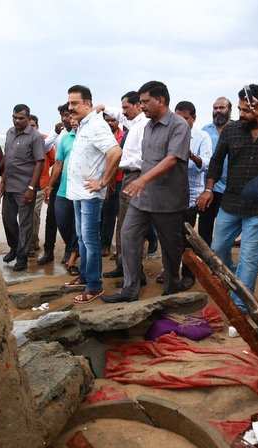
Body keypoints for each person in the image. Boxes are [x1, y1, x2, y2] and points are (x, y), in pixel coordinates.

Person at [102, 81, 191, 303]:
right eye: (140, 102)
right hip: (143, 196)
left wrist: (142, 179)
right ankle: (130, 288)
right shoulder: (147, 126)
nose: (141, 107)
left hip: (168, 200)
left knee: (170, 247)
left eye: (145, 102)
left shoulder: (179, 126)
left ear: (160, 100)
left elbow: (172, 159)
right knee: (128, 235)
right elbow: (146, 160)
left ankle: (172, 286)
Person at [199, 85, 258, 312]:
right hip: (230, 203)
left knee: (250, 259)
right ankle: (234, 276)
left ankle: (240, 306)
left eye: (247, 110)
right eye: (240, 109)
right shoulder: (232, 130)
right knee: (218, 249)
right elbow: (215, 162)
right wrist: (208, 189)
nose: (242, 115)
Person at [66, 85, 123, 304]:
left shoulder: (97, 125)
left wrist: (104, 181)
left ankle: (94, 285)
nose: (71, 107)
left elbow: (115, 152)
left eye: (75, 103)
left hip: (90, 194)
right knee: (82, 237)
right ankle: (85, 275)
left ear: (88, 104)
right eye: (69, 103)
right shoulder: (83, 125)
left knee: (90, 240)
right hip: (78, 192)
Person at [98, 91, 154, 281]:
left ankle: (135, 273)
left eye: (126, 107)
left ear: (138, 106)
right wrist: (103, 108)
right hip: (128, 177)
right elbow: (119, 114)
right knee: (122, 224)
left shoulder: (145, 124)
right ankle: (123, 266)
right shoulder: (134, 122)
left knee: (132, 227)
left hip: (137, 176)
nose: (123, 112)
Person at [0, 104, 45, 271]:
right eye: (14, 117)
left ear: (28, 118)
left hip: (25, 187)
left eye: (20, 118)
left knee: (25, 223)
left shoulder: (35, 137)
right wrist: (2, 182)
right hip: (9, 184)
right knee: (7, 219)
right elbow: (8, 159)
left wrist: (32, 188)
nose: (17, 121)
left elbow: (39, 162)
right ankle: (14, 247)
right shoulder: (9, 132)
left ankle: (22, 257)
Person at [174, 100, 212, 289]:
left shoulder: (202, 136)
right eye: (178, 118)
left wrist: (190, 155)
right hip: (171, 194)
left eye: (185, 119)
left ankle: (189, 274)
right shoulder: (171, 134)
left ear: (193, 118)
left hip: (191, 195)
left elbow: (205, 163)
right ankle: (172, 270)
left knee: (187, 236)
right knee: (172, 236)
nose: (181, 122)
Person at [47, 104, 80, 274]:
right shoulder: (65, 138)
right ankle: (72, 248)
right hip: (63, 188)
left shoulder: (88, 136)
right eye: (65, 116)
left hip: (82, 190)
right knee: (62, 222)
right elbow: (58, 163)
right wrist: (50, 186)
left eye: (71, 116)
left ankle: (73, 256)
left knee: (78, 226)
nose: (68, 119)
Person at [200, 97, 233, 246]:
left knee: (226, 227)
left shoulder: (237, 129)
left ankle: (221, 258)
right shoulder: (204, 132)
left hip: (231, 188)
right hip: (209, 187)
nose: (218, 111)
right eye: (215, 108)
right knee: (205, 225)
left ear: (229, 110)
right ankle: (204, 259)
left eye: (222, 108)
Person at [27, 114, 58, 262]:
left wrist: (44, 173)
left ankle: (32, 244)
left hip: (41, 184)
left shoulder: (45, 140)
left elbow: (53, 160)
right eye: (29, 125)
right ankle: (27, 242)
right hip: (25, 184)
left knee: (34, 213)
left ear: (37, 126)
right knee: (25, 215)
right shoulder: (23, 138)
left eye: (33, 125)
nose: (31, 128)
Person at [100, 113, 125, 257]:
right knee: (106, 213)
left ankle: (117, 247)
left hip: (120, 180)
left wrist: (112, 180)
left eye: (112, 120)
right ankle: (105, 244)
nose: (110, 123)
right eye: (107, 120)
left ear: (118, 121)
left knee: (119, 214)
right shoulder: (101, 137)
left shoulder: (124, 136)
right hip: (103, 180)